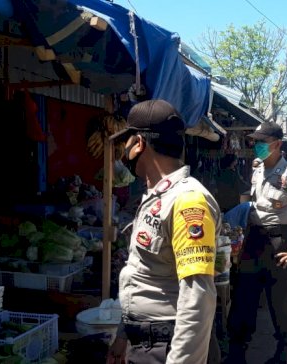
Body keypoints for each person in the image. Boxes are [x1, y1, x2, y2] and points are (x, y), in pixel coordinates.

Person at [106, 100, 220, 364]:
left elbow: (198, 297)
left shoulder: (187, 201)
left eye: (127, 141)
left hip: (167, 346)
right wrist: (124, 336)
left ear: (139, 143)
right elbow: (143, 276)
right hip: (145, 342)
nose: (124, 150)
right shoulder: (157, 198)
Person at [226, 122, 287, 364]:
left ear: (277, 144)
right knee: (244, 297)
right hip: (253, 239)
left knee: (280, 302)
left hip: (281, 241)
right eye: (254, 142)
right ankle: (238, 352)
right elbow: (251, 203)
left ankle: (284, 352)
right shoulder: (256, 169)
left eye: (261, 142)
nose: (256, 146)